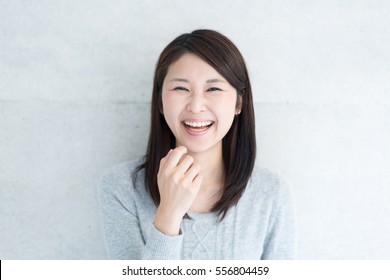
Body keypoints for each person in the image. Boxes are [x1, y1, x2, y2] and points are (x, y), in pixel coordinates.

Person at [99, 29, 296, 259]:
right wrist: (168, 214)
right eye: (181, 88)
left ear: (238, 103)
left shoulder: (271, 193)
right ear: (160, 101)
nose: (196, 105)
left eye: (213, 89)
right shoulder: (121, 188)